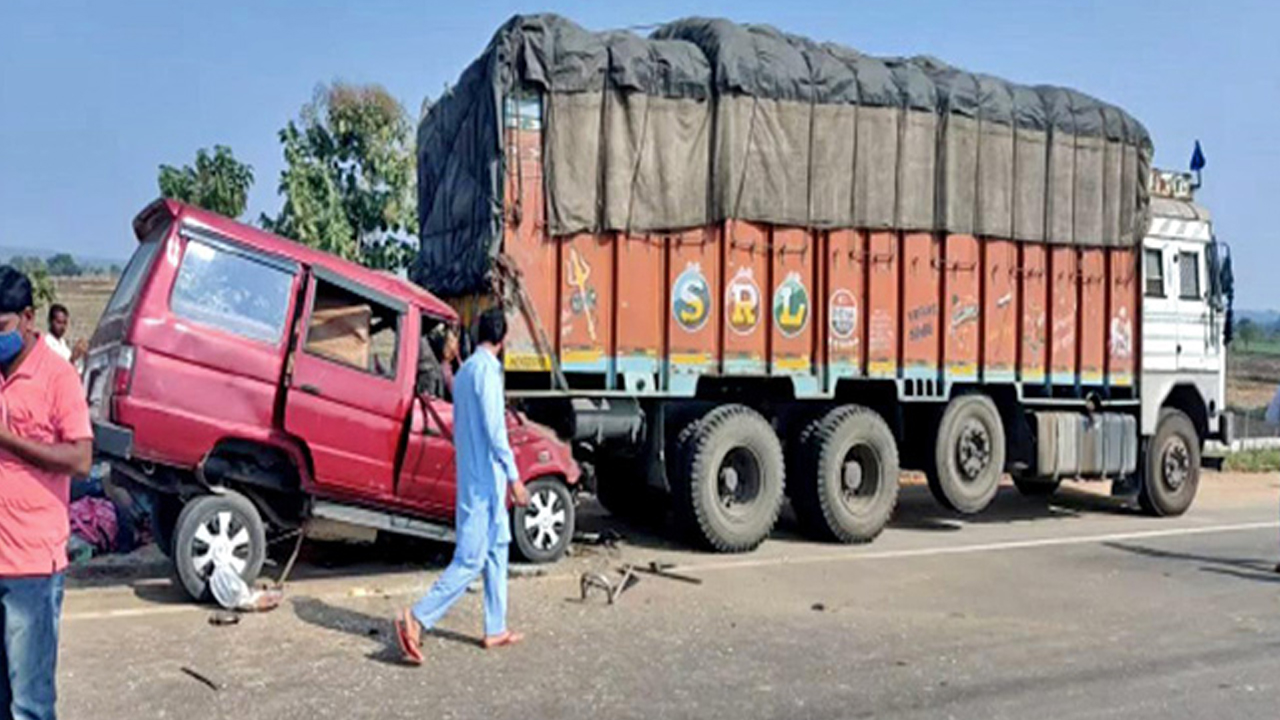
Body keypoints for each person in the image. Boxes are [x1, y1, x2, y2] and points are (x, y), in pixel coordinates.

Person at [396, 308, 529, 665]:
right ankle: (417, 617)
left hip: (476, 477)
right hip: (486, 483)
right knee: (471, 559)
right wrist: (515, 477)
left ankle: (496, 626)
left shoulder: (468, 370)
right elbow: (494, 430)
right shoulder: (486, 371)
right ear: (502, 340)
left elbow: (457, 404)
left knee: (498, 547)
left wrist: (447, 364)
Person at [0, 266, 93, 720]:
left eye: (0, 327)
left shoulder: (58, 377)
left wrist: (9, 440)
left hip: (31, 569)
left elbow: (81, 460)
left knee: (29, 705)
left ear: (27, 318)